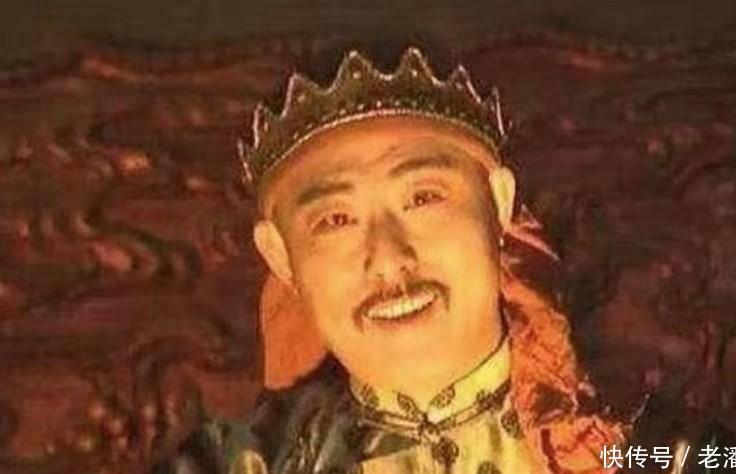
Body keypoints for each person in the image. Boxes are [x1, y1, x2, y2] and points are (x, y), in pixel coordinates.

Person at [155, 47, 631, 474]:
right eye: (336, 220)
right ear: (280, 256)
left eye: (423, 198)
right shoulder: (230, 464)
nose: (388, 258)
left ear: (499, 204)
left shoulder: (639, 448)